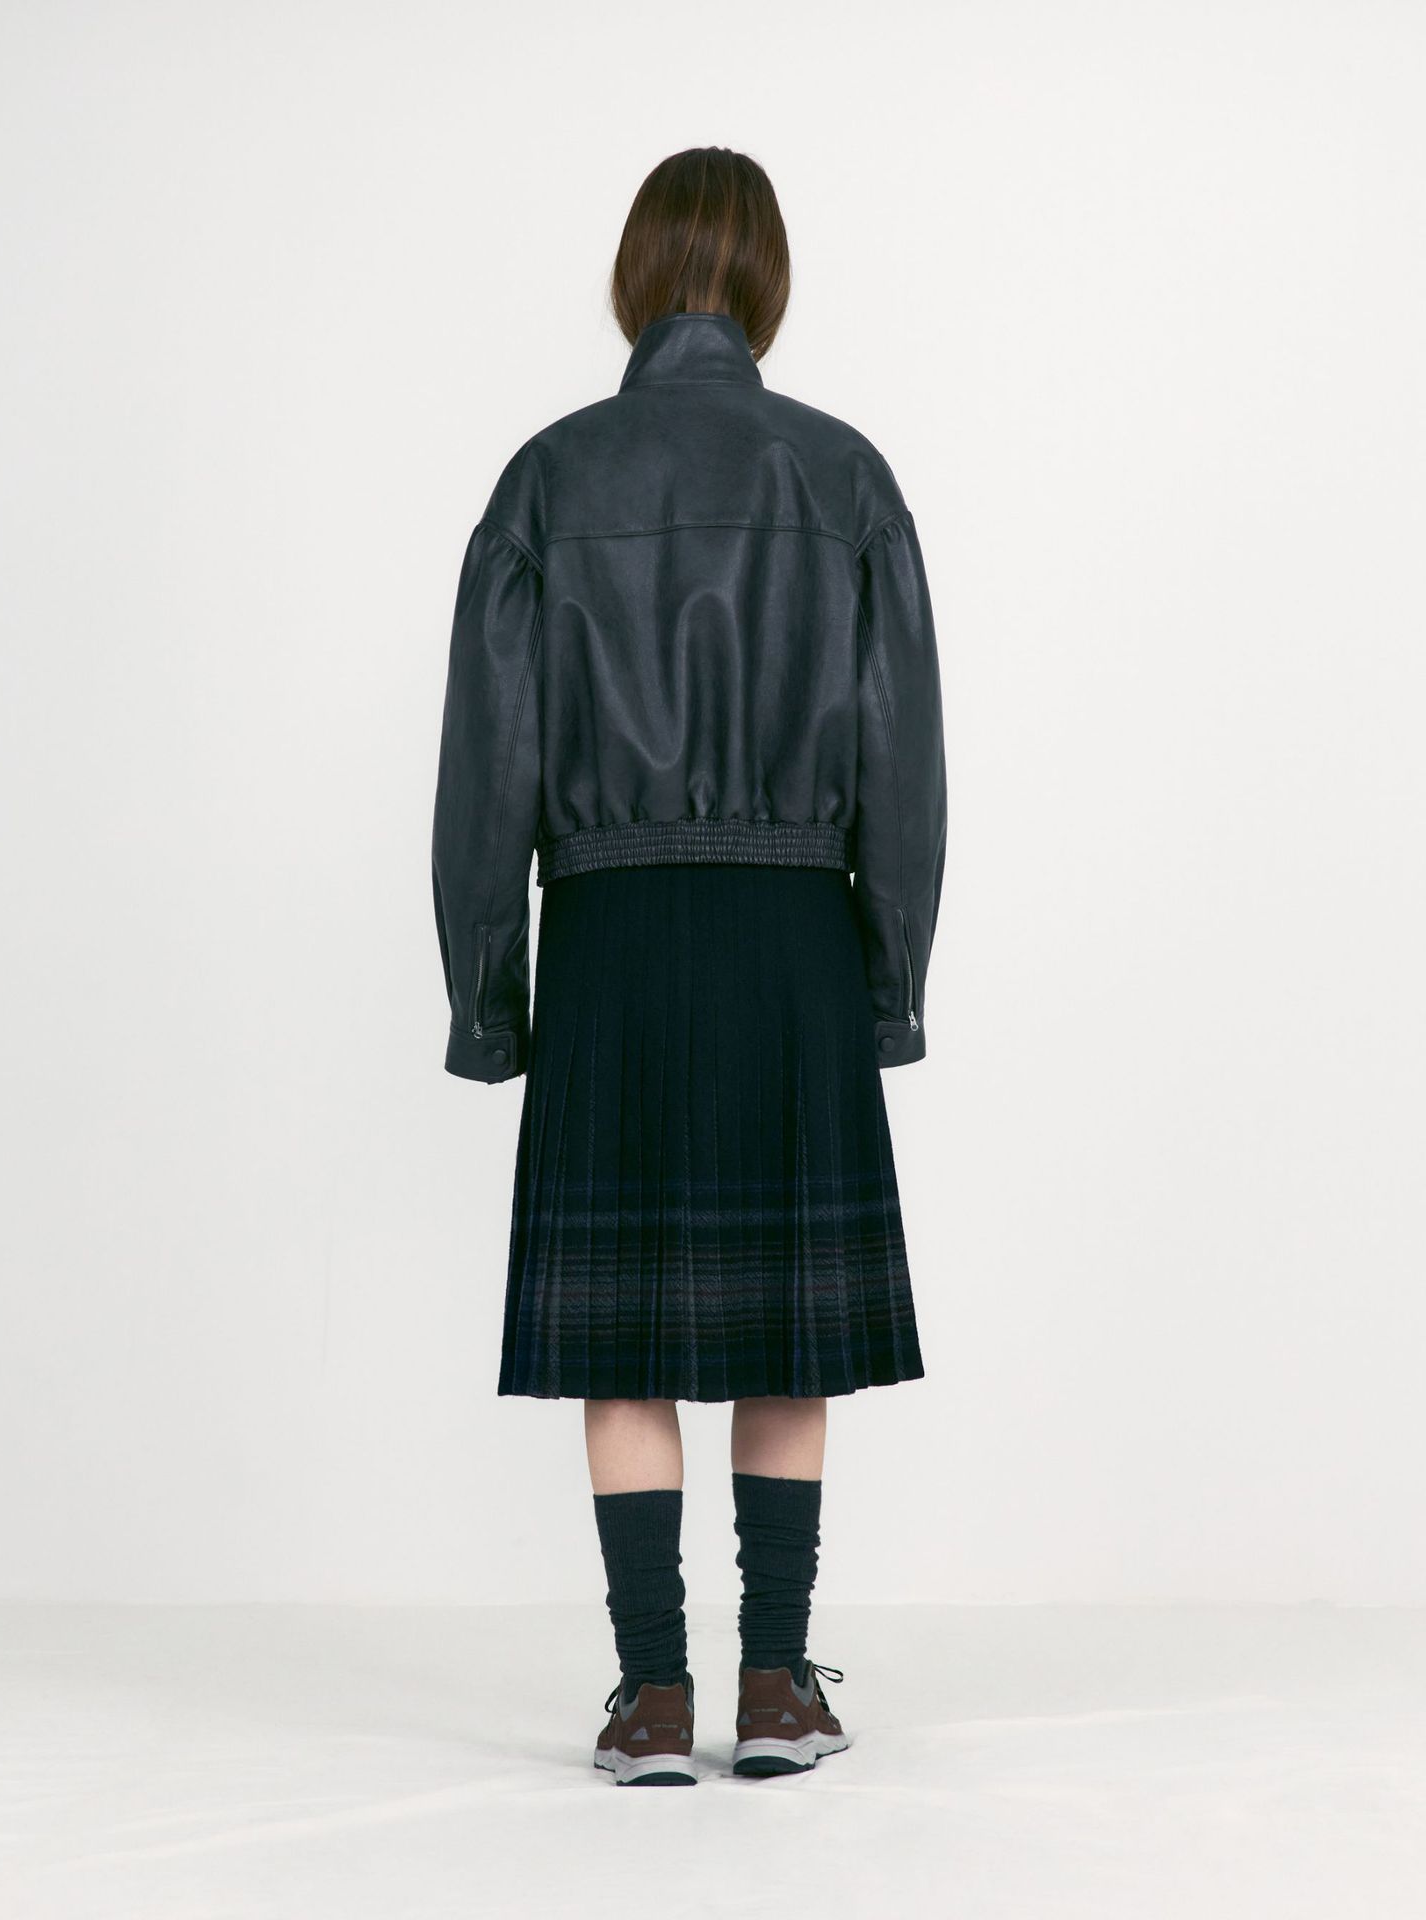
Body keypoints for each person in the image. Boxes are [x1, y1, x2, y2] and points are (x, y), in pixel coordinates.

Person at [431, 146, 947, 1785]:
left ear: (633, 281)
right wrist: (888, 983)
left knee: (624, 1336)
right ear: (768, 285)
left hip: (612, 939)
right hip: (794, 939)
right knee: (790, 1329)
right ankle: (777, 1689)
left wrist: (490, 1000)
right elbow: (904, 769)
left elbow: (485, 771)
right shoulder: (847, 477)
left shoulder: (546, 480)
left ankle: (653, 1698)